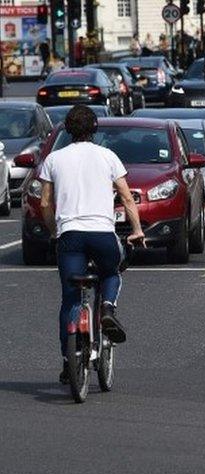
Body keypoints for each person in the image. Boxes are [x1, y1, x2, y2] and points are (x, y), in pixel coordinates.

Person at [37, 105, 145, 384]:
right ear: (94, 129)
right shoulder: (108, 156)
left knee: (70, 298)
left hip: (70, 236)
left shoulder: (53, 159)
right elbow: (127, 197)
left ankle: (67, 361)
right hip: (102, 234)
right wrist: (136, 230)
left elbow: (46, 203)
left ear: (68, 129)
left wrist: (54, 232)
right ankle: (107, 308)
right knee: (112, 272)